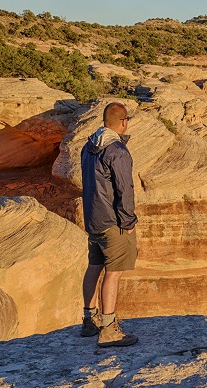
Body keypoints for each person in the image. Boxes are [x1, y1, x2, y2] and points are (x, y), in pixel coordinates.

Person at [79, 102, 138, 347]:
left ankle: (89, 320)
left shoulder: (88, 146)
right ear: (123, 122)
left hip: (93, 219)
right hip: (113, 222)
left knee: (94, 266)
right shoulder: (117, 150)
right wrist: (128, 221)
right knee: (113, 273)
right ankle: (109, 329)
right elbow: (124, 189)